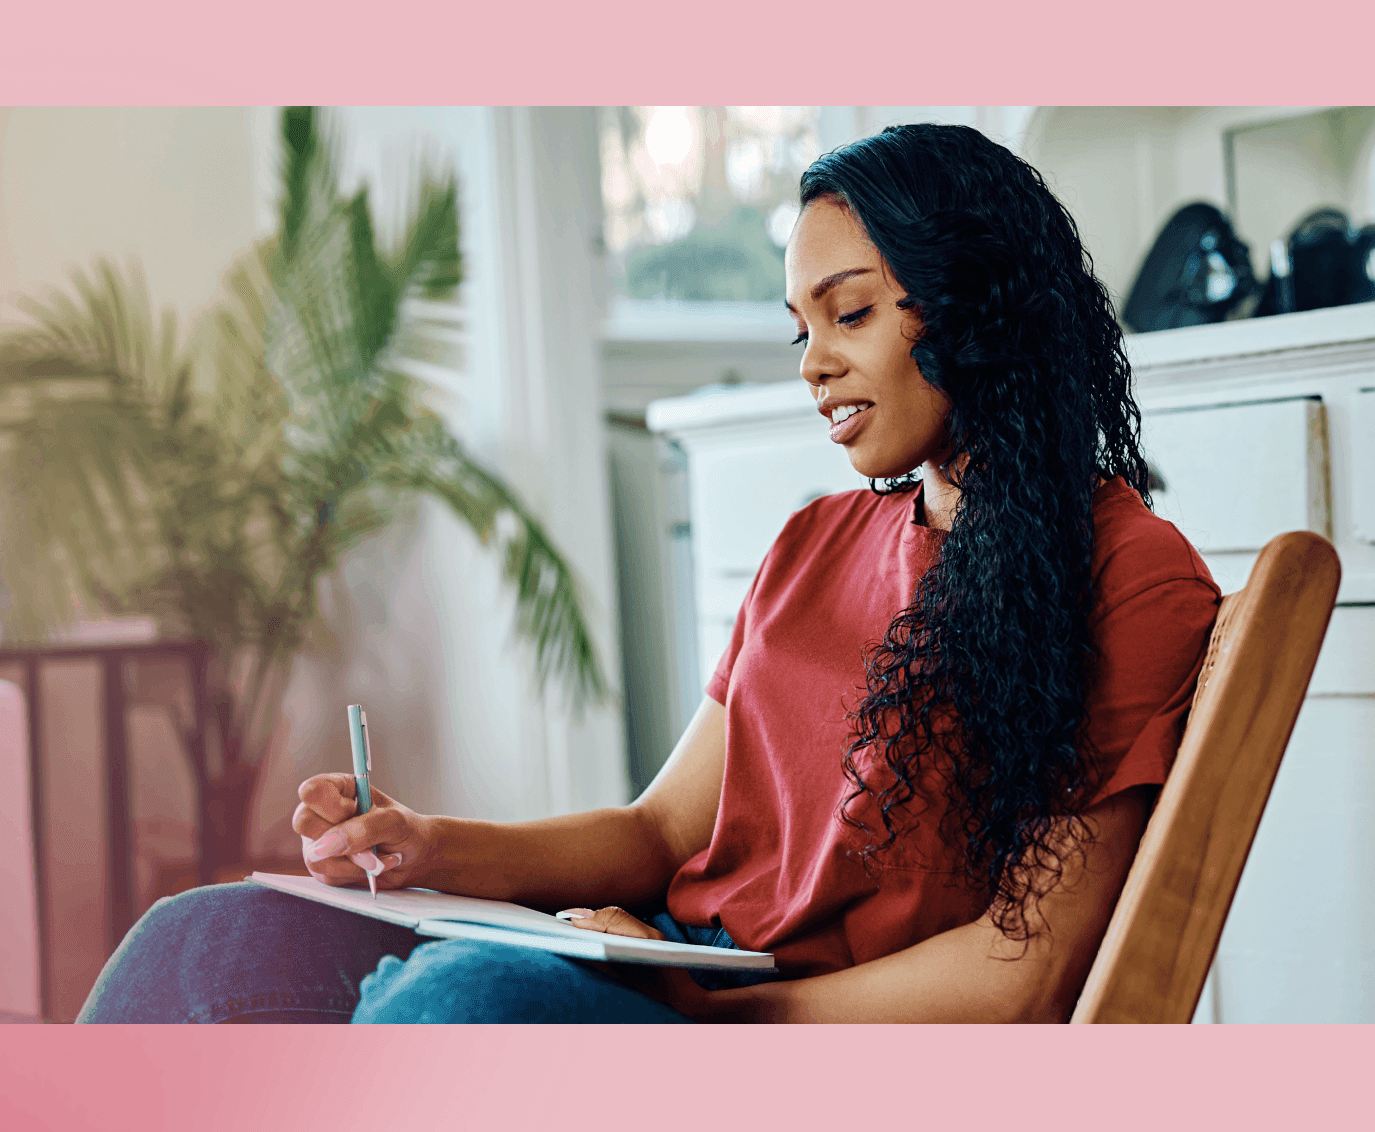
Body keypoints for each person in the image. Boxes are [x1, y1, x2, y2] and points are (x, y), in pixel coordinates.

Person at [76, 122, 1220, 1024]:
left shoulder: (1126, 574)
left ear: (974, 305)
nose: (815, 365)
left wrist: (712, 1009)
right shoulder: (811, 545)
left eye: (852, 312)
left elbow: (1023, 975)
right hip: (668, 964)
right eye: (800, 329)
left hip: (789, 1022)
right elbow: (658, 831)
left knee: (461, 1003)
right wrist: (431, 843)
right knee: (203, 938)